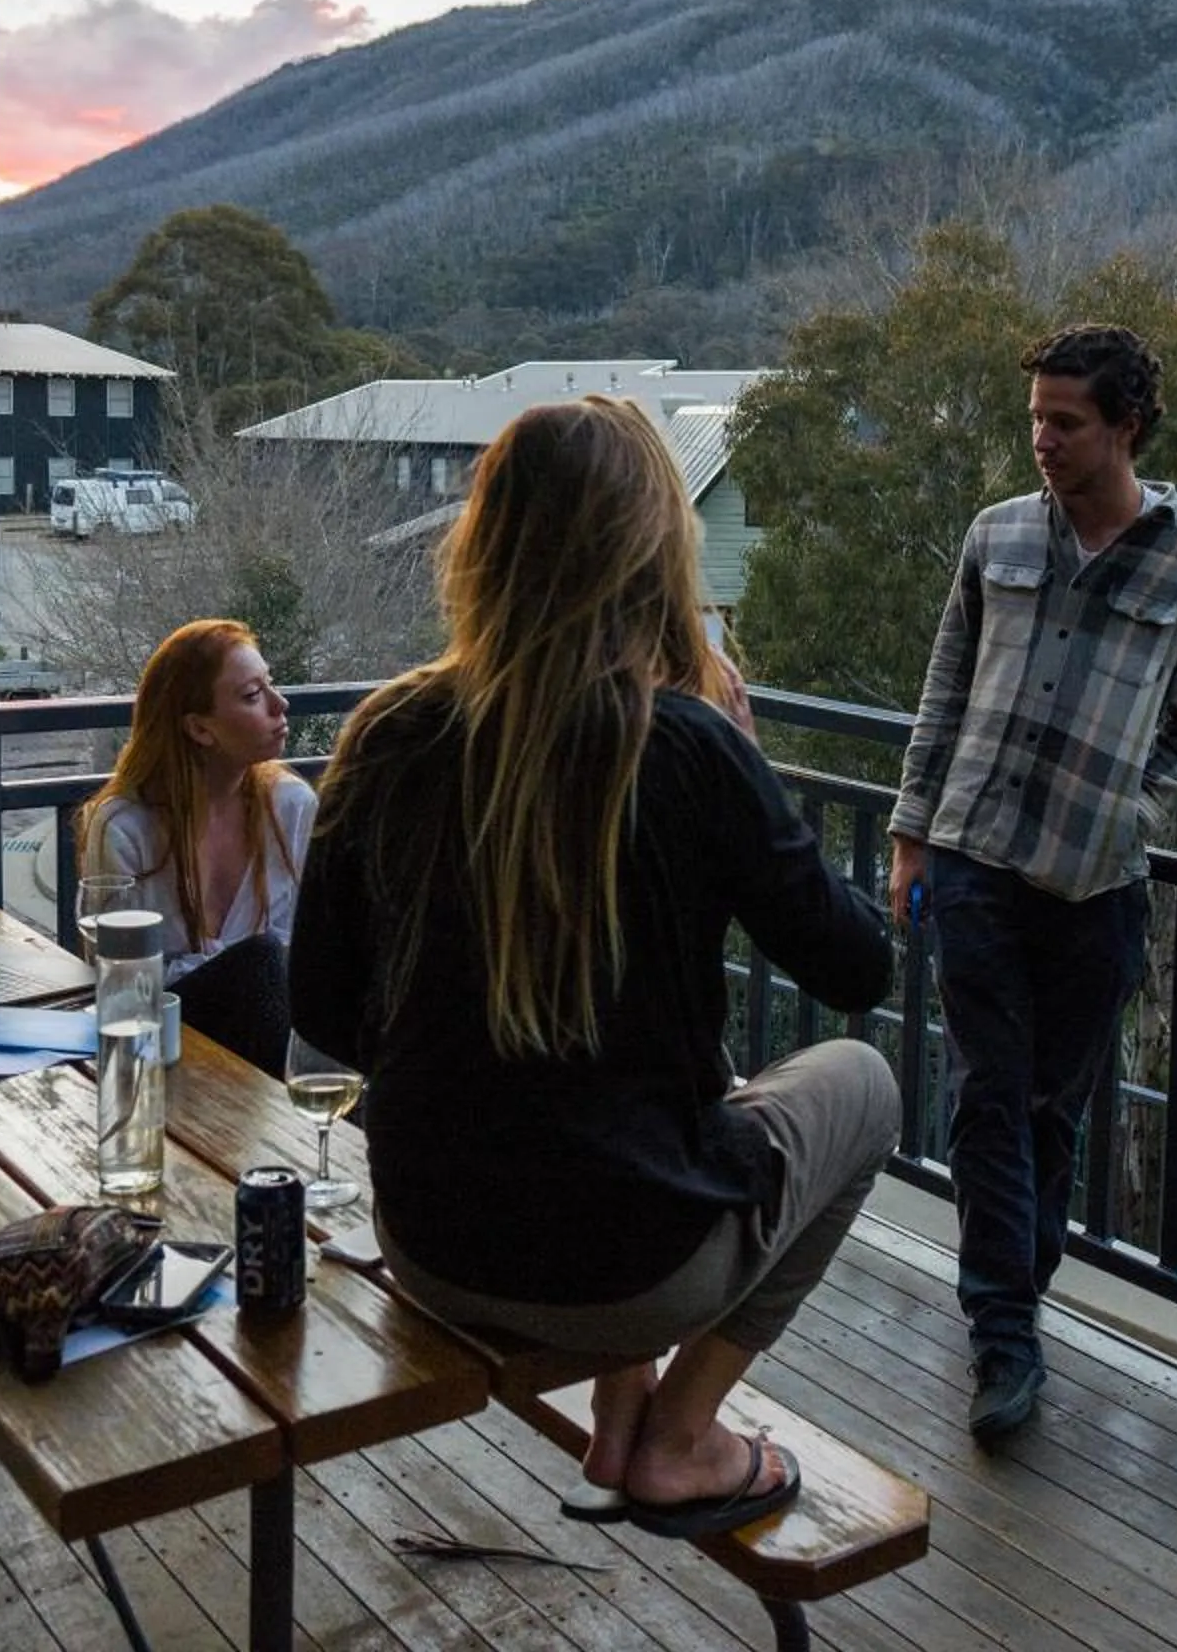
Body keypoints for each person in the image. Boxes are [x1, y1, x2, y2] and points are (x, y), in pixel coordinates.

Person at [293, 395, 899, 1538]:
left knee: (627, 1083)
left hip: (431, 1242)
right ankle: (682, 1435)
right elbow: (858, 966)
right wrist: (750, 774)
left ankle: (625, 1420)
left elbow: (321, 1006)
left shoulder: (388, 731)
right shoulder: (689, 746)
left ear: (483, 540)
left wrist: (472, 1051)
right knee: (862, 1083)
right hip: (630, 1274)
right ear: (650, 549)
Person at [888, 323, 1177, 1445]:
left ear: (1126, 426)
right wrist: (911, 832)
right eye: (1035, 418)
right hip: (975, 855)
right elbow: (945, 687)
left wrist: (1134, 812)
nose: (1042, 439)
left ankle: (1016, 1301)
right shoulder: (995, 533)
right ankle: (1003, 1334)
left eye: (1066, 421)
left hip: (1096, 884)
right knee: (987, 1096)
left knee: (1052, 1109)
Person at [78, 618, 314, 1073]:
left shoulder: (291, 807)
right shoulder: (125, 827)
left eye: (271, 684)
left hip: (268, 1047)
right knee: (260, 961)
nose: (280, 704)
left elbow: (311, 955)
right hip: (165, 1039)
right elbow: (121, 978)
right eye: (253, 695)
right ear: (200, 729)